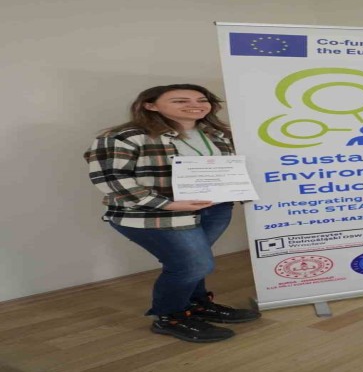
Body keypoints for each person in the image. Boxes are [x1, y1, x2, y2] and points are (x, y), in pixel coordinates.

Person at [84, 84, 261, 343]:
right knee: (193, 265)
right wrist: (167, 204)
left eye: (202, 100)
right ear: (150, 105)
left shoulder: (218, 134)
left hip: (215, 209)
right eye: (180, 100)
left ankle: (197, 305)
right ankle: (170, 316)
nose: (195, 105)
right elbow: (110, 178)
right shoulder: (124, 137)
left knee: (192, 262)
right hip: (155, 214)